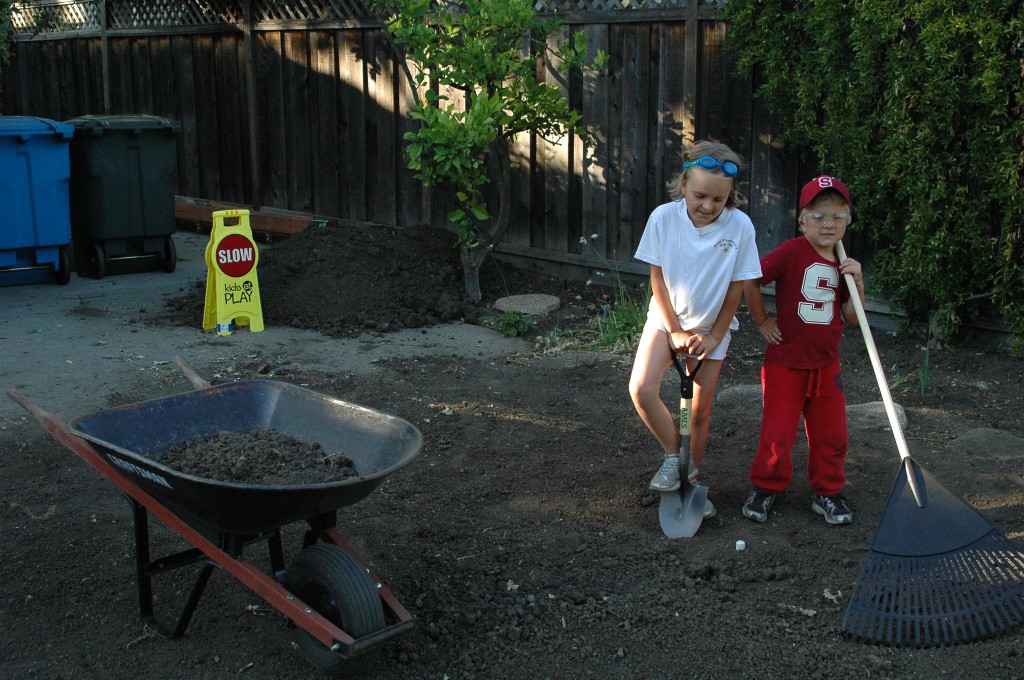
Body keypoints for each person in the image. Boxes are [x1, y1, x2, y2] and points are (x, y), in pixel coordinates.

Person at [629, 140, 763, 519]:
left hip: (709, 331)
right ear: (683, 184)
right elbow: (657, 278)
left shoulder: (739, 227)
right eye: (700, 195)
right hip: (665, 322)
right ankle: (677, 459)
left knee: (699, 413)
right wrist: (673, 331)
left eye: (718, 200)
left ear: (730, 197)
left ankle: (691, 479)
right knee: (641, 389)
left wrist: (715, 336)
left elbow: (737, 287)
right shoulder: (663, 219)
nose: (707, 206)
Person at [741, 175, 864, 525]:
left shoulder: (844, 264)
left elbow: (851, 317)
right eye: (819, 216)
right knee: (778, 433)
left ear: (847, 221)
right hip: (786, 363)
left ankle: (828, 492)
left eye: (838, 217)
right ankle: (766, 487)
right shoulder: (791, 252)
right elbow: (751, 278)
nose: (829, 224)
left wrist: (857, 283)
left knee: (833, 433)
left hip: (826, 365)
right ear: (802, 220)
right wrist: (763, 321)